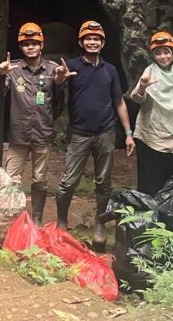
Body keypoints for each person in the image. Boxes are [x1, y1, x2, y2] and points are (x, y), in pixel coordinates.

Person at [55, 19, 134, 251]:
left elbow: (119, 102)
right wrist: (60, 78)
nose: (92, 42)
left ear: (102, 43)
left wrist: (128, 133)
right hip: (79, 133)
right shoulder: (71, 65)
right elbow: (58, 83)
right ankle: (61, 221)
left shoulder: (110, 70)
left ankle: (100, 225)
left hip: (105, 132)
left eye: (96, 39)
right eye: (88, 38)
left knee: (104, 183)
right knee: (67, 183)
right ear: (81, 42)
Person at [0, 23, 69, 226]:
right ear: (21, 47)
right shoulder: (13, 69)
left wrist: (60, 84)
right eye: (26, 44)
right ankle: (12, 219)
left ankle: (36, 218)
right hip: (18, 133)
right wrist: (2, 76)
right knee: (11, 177)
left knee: (40, 178)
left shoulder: (53, 69)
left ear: (42, 45)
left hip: (42, 134)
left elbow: (58, 104)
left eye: (34, 43)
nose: (30, 47)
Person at [129, 31, 173, 195]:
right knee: (152, 183)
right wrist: (142, 86)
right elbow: (136, 99)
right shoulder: (149, 73)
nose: (163, 56)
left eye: (166, 52)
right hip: (152, 138)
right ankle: (152, 219)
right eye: (158, 53)